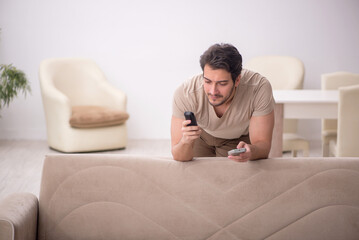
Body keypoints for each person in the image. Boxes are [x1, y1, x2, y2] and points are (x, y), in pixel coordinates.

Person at [171, 43, 275, 162]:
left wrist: (252, 151)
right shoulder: (186, 93)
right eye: (208, 81)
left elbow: (263, 146)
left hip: (238, 138)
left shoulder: (258, 88)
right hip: (201, 135)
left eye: (222, 83)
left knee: (232, 177)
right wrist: (186, 141)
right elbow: (178, 156)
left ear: (237, 80)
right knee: (193, 174)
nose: (213, 91)